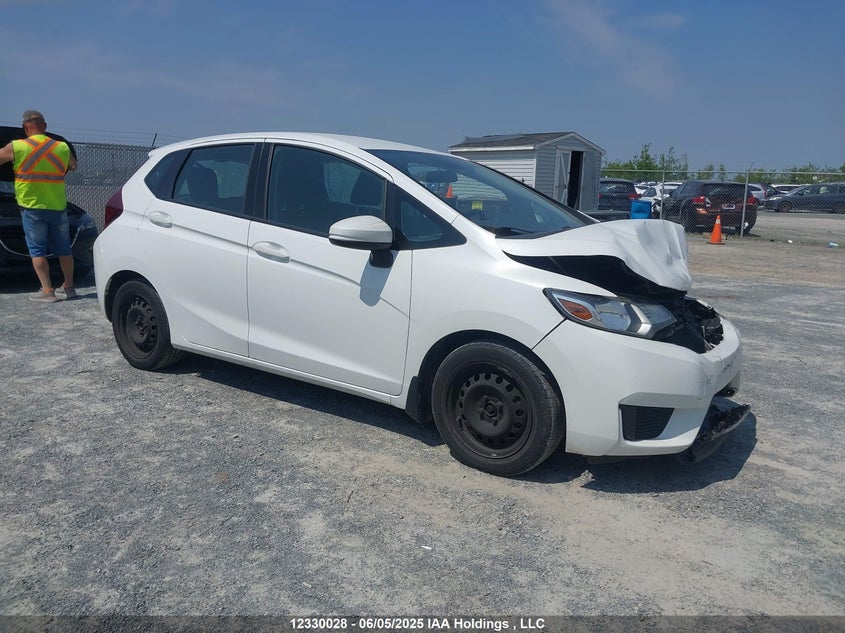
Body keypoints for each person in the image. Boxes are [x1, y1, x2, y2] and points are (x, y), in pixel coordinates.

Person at [0, 110, 78, 302]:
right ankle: (69, 287)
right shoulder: (61, 146)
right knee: (64, 249)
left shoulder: (17, 146)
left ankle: (47, 291)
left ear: (25, 127)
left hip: (31, 206)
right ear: (45, 126)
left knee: (37, 250)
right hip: (57, 206)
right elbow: (73, 165)